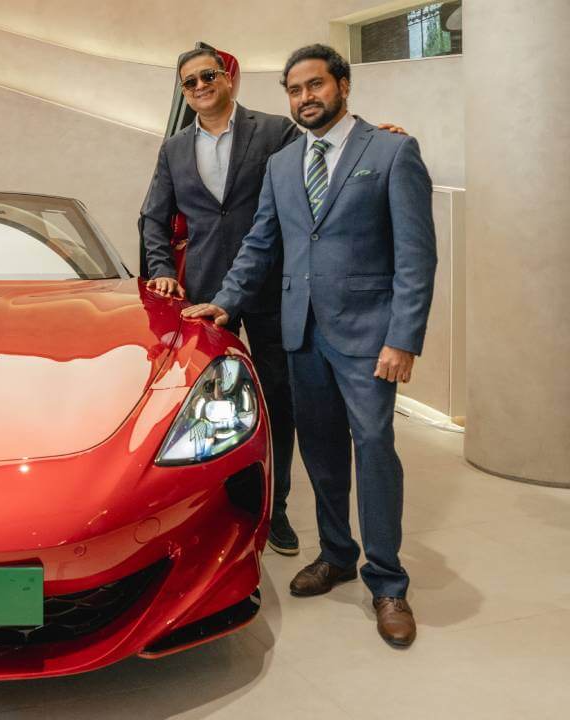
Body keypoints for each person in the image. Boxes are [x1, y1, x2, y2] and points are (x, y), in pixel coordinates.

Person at [183, 44, 436, 647]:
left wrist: (403, 338)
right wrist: (226, 300)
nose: (305, 98)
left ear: (342, 85)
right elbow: (260, 242)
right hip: (300, 330)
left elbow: (416, 256)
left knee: (372, 445)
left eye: (315, 85)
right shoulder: (282, 163)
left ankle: (388, 581)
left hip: (370, 334)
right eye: (294, 91)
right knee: (320, 448)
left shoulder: (392, 151)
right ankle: (337, 553)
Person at [139, 46, 301, 555]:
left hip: (273, 285)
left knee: (277, 399)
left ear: (227, 78)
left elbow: (320, 165)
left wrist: (376, 137)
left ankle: (276, 506)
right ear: (184, 92)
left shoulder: (275, 131)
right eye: (189, 82)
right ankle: (216, 504)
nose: (200, 86)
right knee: (210, 403)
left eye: (208, 75)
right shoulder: (174, 149)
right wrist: (162, 271)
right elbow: (152, 217)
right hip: (206, 294)